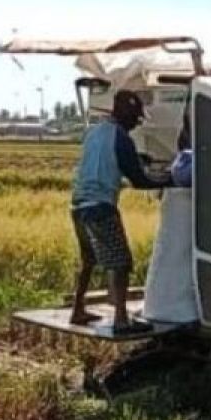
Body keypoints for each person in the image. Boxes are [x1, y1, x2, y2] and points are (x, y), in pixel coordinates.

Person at [69, 90, 169, 331]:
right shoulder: (121, 138)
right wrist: (170, 179)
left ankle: (78, 309)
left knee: (89, 260)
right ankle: (122, 320)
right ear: (125, 114)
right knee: (121, 263)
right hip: (101, 207)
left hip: (78, 206)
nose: (137, 122)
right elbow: (139, 181)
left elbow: (105, 161)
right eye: (135, 117)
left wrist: (136, 159)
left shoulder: (94, 131)